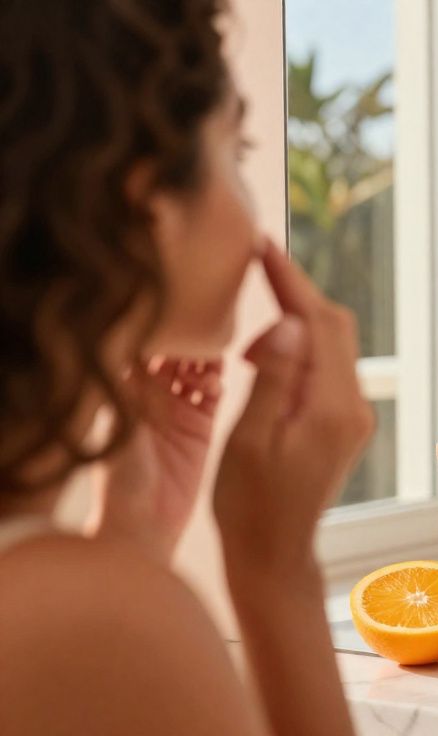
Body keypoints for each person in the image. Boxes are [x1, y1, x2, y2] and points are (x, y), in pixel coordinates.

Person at [0, 1, 372, 732]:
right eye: (239, 148)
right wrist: (279, 571)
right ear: (142, 207)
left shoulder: (85, 611)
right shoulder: (106, 629)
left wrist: (132, 543)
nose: (255, 210)